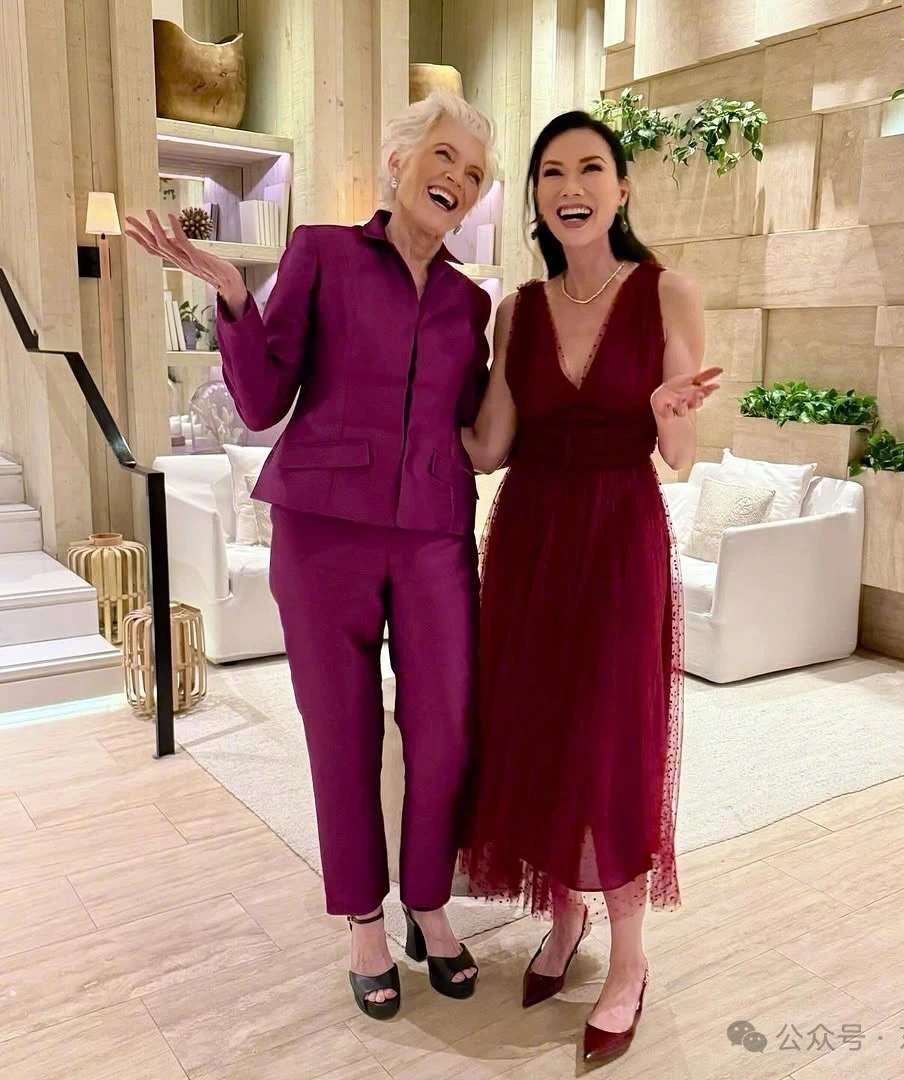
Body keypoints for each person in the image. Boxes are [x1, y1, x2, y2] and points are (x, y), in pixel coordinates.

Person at [124, 91, 498, 1020]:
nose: (457, 180)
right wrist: (234, 297)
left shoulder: (470, 302)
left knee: (447, 726)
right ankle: (365, 918)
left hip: (436, 532)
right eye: (444, 157)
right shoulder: (322, 253)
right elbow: (260, 401)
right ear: (399, 161)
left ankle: (427, 901)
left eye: (475, 173)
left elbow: (477, 424)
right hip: (323, 530)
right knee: (342, 732)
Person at [459, 109, 720, 1063]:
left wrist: (664, 409)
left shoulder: (667, 292)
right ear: (536, 196)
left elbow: (680, 454)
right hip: (528, 538)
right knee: (535, 724)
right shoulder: (517, 310)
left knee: (610, 737)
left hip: (616, 540)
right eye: (552, 172)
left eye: (590, 169)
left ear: (621, 189)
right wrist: (390, 407)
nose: (571, 187)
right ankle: (562, 918)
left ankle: (629, 959)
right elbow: (491, 444)